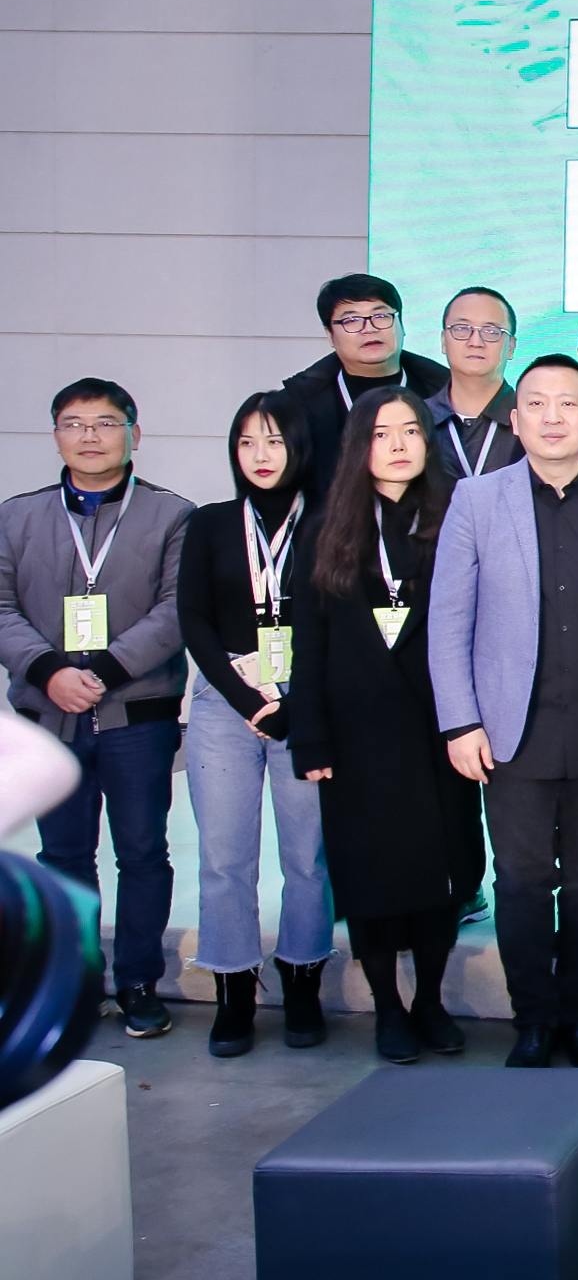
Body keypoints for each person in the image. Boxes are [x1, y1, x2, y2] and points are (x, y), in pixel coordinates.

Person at [432, 356, 578, 1069]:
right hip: (509, 729)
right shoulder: (476, 499)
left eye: (568, 403)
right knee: (522, 881)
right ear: (515, 418)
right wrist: (459, 721)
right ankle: (531, 1018)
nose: (552, 416)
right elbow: (448, 619)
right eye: (536, 403)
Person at [289, 388, 484, 1063]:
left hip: (439, 727)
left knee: (441, 874)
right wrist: (309, 734)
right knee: (371, 880)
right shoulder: (326, 526)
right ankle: (388, 1009)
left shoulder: (457, 513)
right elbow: (308, 641)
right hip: (357, 735)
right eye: (380, 433)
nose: (398, 445)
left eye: (411, 431)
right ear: (358, 446)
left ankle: (429, 1001)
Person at [0, 379, 193, 1036]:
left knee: (142, 851)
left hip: (137, 714)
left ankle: (138, 981)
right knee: (62, 857)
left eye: (105, 423)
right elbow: (1, 607)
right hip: (47, 716)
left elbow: (177, 610)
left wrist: (102, 670)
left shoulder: (173, 515)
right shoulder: (16, 516)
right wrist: (49, 670)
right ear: (56, 435)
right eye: (74, 424)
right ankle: (75, 984)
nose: (89, 436)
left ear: (134, 434)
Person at [177, 392, 332, 1057]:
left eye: (274, 440)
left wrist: (299, 704)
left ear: (299, 446)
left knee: (308, 857)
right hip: (225, 701)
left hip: (308, 702)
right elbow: (193, 618)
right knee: (223, 859)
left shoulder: (327, 520)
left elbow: (339, 618)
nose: (261, 455)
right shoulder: (211, 523)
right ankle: (233, 990)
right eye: (247, 442)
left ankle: (302, 982)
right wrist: (247, 701)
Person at [277, 274, 451, 497]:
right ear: (330, 335)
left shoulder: (445, 393)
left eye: (380, 316)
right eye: (351, 320)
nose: (369, 329)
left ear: (401, 325)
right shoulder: (299, 405)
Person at [427, 286, 522, 482]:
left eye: (491, 331)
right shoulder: (416, 419)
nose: (476, 342)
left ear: (511, 346)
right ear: (443, 341)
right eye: (462, 329)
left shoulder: (533, 421)